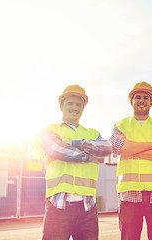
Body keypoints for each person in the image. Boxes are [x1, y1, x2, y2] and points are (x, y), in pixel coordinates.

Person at [37, 84, 112, 240]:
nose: (75, 107)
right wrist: (89, 154)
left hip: (88, 209)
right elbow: (57, 150)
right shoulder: (48, 131)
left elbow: (106, 147)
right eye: (70, 103)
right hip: (58, 207)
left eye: (79, 104)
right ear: (61, 105)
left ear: (83, 107)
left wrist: (74, 143)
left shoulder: (92, 132)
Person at [110, 81, 152, 240]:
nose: (141, 100)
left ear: (151, 102)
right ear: (131, 100)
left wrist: (131, 148)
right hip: (129, 193)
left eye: (146, 97)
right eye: (137, 97)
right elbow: (117, 147)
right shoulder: (120, 125)